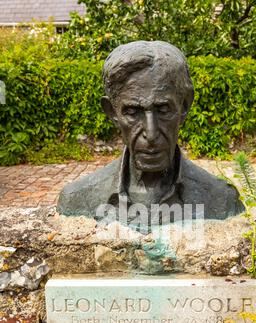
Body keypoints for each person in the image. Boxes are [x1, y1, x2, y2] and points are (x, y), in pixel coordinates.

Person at [57, 41, 244, 222]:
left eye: (163, 110)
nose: (151, 134)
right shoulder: (78, 199)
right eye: (132, 112)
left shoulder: (221, 199)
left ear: (185, 106)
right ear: (112, 112)